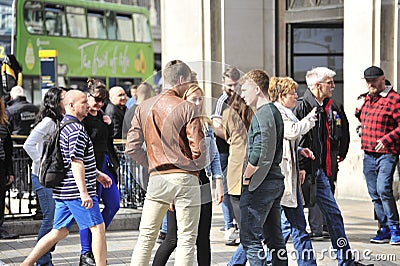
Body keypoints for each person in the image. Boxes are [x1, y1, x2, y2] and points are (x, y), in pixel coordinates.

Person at [125, 60, 205, 266]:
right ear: (180, 80)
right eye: (188, 82)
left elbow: (132, 147)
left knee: (146, 237)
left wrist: (152, 162)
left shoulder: (142, 107)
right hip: (185, 177)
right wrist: (193, 168)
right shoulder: (187, 107)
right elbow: (199, 150)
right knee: (187, 239)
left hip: (157, 178)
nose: (188, 86)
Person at [21, 90, 112, 266]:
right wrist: (84, 193)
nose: (87, 105)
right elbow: (76, 162)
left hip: (64, 190)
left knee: (59, 232)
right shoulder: (76, 129)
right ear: (71, 105)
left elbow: (75, 161)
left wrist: (97, 174)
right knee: (98, 229)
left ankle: (26, 263)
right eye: (83, 102)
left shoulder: (64, 125)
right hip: (76, 191)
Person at [152, 83, 224, 266]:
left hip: (202, 182)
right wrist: (171, 191)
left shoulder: (205, 124)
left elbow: (213, 155)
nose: (198, 103)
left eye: (200, 99)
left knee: (203, 238)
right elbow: (170, 159)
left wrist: (219, 181)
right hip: (181, 183)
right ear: (184, 101)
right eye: (193, 99)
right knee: (173, 238)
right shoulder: (176, 124)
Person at [293, 67, 354, 264]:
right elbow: (297, 140)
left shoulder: (327, 105)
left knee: (334, 215)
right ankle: (257, 257)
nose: (334, 86)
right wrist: (301, 167)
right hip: (302, 172)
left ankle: (345, 259)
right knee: (289, 222)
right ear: (318, 86)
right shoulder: (302, 106)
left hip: (319, 172)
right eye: (330, 83)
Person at [239, 69, 287, 265]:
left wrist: (247, 176)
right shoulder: (272, 111)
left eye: (244, 90)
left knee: (250, 238)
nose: (242, 95)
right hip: (273, 181)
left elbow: (260, 150)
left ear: (257, 89)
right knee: (274, 238)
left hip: (262, 184)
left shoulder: (264, 114)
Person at [270, 76, 317, 265]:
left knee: (297, 225)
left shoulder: (286, 112)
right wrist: (310, 119)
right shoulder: (278, 113)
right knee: (267, 228)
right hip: (280, 178)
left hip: (290, 178)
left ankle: (307, 263)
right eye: (292, 93)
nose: (296, 96)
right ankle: (240, 261)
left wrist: (299, 150)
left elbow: (286, 142)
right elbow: (291, 132)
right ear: (282, 96)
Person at [355, 66, 400, 245]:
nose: (370, 84)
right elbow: (365, 120)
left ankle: (395, 228)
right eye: (367, 81)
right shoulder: (367, 99)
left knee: (383, 189)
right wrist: (358, 111)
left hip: (386, 153)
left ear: (383, 79)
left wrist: (387, 139)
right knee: (374, 193)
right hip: (368, 153)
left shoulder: (394, 99)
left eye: (373, 80)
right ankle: (384, 228)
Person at [23, 87, 66, 264]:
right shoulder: (49, 121)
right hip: (42, 176)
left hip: (50, 177)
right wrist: (42, 163)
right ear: (56, 102)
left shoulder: (59, 120)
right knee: (50, 218)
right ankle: (42, 259)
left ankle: (43, 256)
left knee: (56, 219)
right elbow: (28, 144)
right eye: (64, 97)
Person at [79, 79, 120, 265]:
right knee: (90, 212)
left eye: (103, 100)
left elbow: (108, 140)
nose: (100, 103)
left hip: (105, 165)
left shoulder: (102, 114)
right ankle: (86, 251)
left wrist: (109, 124)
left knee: (114, 204)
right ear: (88, 97)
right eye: (96, 99)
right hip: (90, 169)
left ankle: (97, 240)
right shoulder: (83, 118)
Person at [221, 83, 253, 245]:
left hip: (236, 158)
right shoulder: (253, 111)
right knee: (249, 197)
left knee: (234, 197)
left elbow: (226, 134)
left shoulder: (228, 112)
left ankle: (242, 230)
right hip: (252, 156)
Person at [212, 67, 240, 239]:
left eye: (235, 85)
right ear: (223, 83)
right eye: (229, 85)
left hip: (238, 150)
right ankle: (229, 225)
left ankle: (235, 222)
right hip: (224, 150)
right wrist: (229, 137)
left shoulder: (241, 98)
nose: (232, 88)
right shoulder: (222, 100)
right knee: (227, 188)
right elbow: (216, 125)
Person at [0, 97, 18, 240]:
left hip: (2, 166)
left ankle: (0, 227)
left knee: (1, 199)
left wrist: (10, 172)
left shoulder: (3, 123)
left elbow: (8, 150)